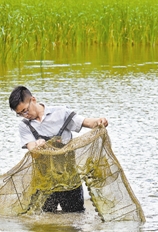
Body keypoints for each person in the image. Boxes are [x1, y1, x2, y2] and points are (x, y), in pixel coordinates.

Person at [9, 85, 108, 213]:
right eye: (20, 114)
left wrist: (100, 121)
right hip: (44, 182)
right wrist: (38, 146)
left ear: (33, 99)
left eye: (25, 110)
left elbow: (87, 122)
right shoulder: (24, 126)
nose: (25, 115)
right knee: (46, 219)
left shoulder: (61, 113)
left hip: (69, 179)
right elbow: (33, 152)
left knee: (75, 216)